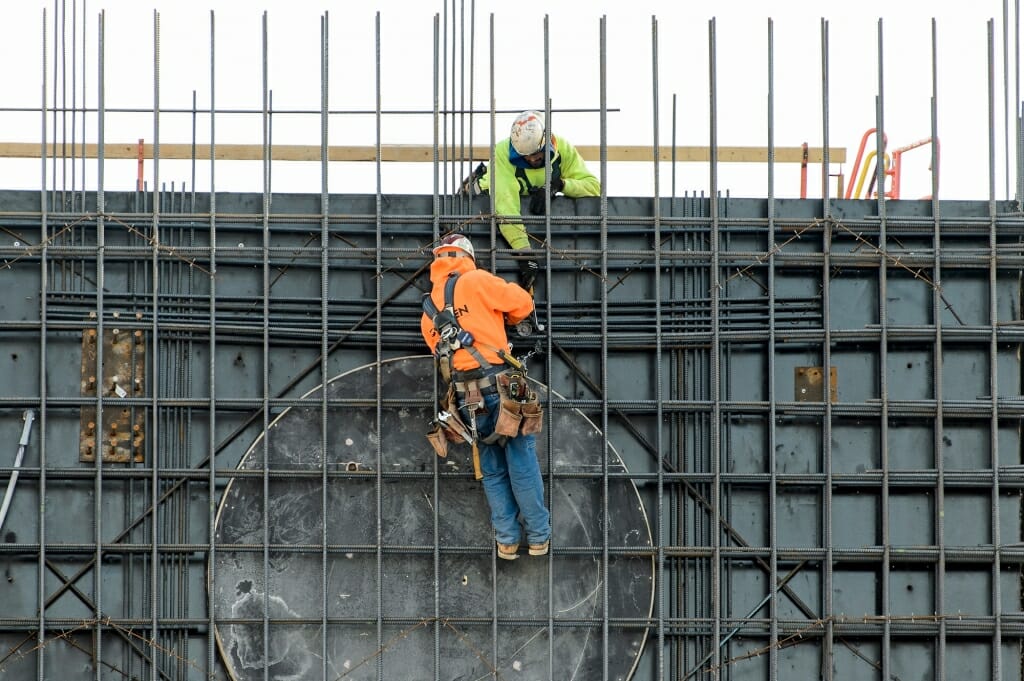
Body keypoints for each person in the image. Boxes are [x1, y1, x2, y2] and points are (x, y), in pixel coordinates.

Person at [420, 233, 551, 560]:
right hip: (502, 386)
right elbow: (523, 304)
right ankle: (538, 537)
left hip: (466, 401)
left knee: (492, 470)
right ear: (467, 256)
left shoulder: (428, 309)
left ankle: (506, 542)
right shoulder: (477, 279)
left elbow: (439, 351)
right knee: (522, 462)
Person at [474, 110, 601, 290]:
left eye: (536, 154)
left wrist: (560, 185)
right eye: (526, 157)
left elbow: (593, 187)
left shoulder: (562, 149)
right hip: (487, 196)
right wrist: (524, 254)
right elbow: (505, 205)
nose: (532, 159)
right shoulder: (503, 152)